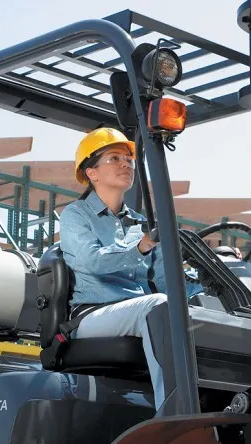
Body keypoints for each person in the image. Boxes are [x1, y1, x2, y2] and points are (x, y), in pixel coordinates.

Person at [57, 127, 171, 410]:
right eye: (114, 158)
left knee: (189, 312)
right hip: (92, 315)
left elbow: (164, 281)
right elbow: (91, 261)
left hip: (136, 312)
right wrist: (140, 248)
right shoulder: (75, 215)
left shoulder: (140, 224)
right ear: (91, 173)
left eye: (129, 160)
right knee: (157, 306)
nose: (125, 164)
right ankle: (171, 413)